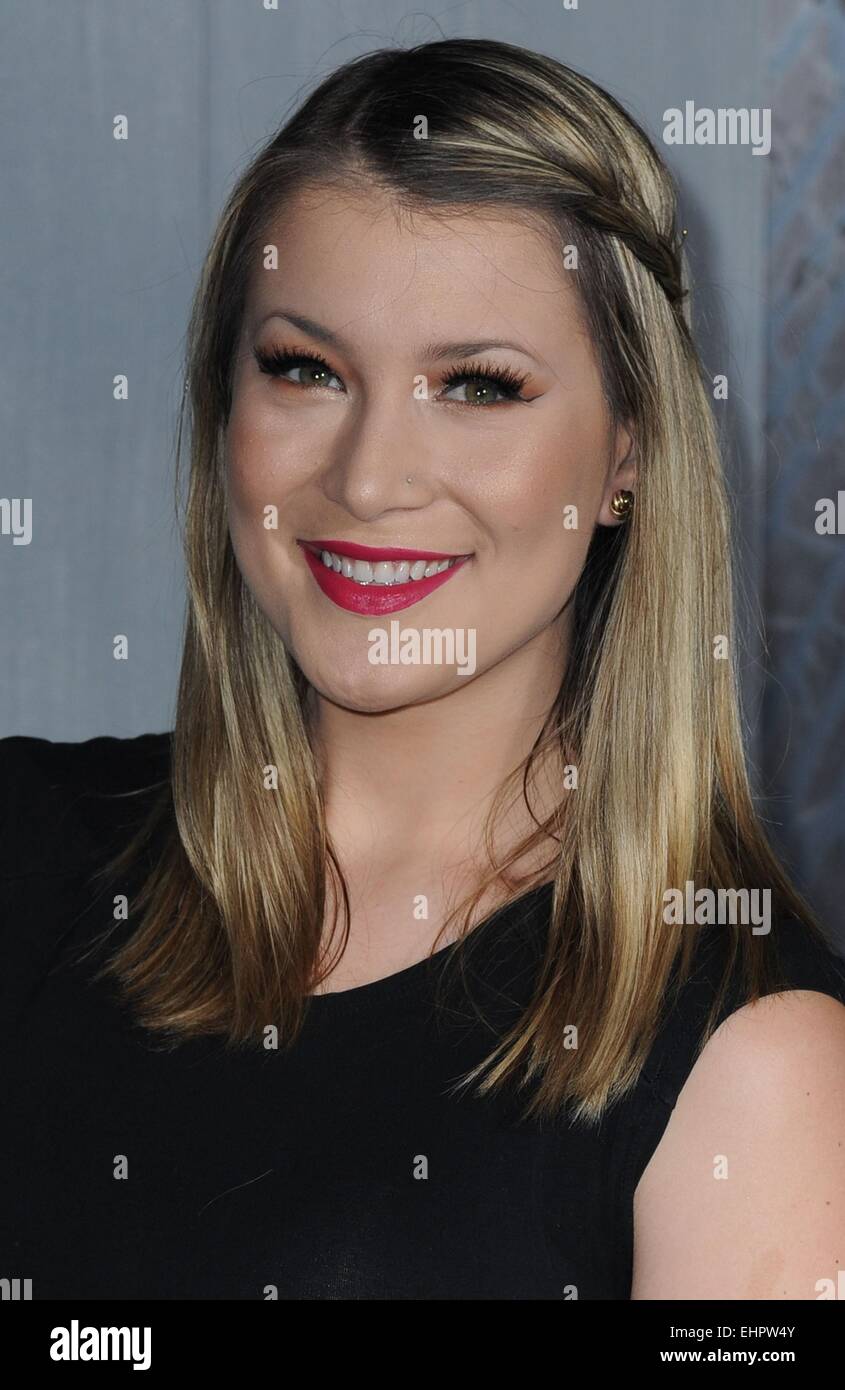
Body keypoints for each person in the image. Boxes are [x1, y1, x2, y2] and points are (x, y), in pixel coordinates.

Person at [2, 37, 844, 1302]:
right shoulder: (28, 845)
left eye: (477, 385)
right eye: (305, 369)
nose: (367, 477)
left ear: (626, 451)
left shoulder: (755, 1051)